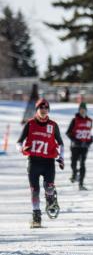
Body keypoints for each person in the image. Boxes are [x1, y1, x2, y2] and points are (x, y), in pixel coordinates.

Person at [17, 98, 64, 228]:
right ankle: (36, 216)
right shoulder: (30, 124)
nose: (43, 111)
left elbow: (60, 143)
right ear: (37, 110)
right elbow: (19, 142)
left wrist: (61, 157)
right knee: (34, 190)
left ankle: (50, 199)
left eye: (45, 108)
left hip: (48, 162)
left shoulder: (53, 125)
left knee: (49, 187)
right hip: (33, 161)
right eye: (40, 108)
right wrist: (21, 149)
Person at [66, 102, 93, 190]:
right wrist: (75, 141)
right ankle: (74, 173)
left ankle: (81, 184)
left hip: (84, 146)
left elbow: (88, 133)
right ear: (79, 110)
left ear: (86, 110)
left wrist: (90, 140)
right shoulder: (74, 120)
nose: (82, 111)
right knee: (73, 163)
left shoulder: (89, 121)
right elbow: (68, 133)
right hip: (75, 146)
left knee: (82, 164)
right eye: (81, 109)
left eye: (84, 109)